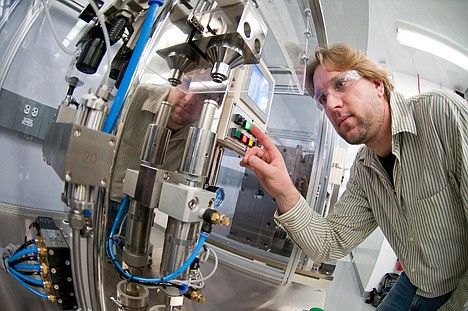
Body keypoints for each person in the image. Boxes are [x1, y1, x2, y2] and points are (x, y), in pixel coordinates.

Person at [240, 43, 467, 311]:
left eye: (340, 84)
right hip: (414, 280)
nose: (333, 105)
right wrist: (284, 191)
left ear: (377, 84)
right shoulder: (364, 170)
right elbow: (331, 243)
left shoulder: (441, 115)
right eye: (322, 98)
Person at [108, 81, 218, 234]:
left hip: (143, 213)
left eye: (203, 95)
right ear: (176, 78)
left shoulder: (199, 138)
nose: (188, 100)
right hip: (102, 195)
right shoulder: (136, 95)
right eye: (187, 84)